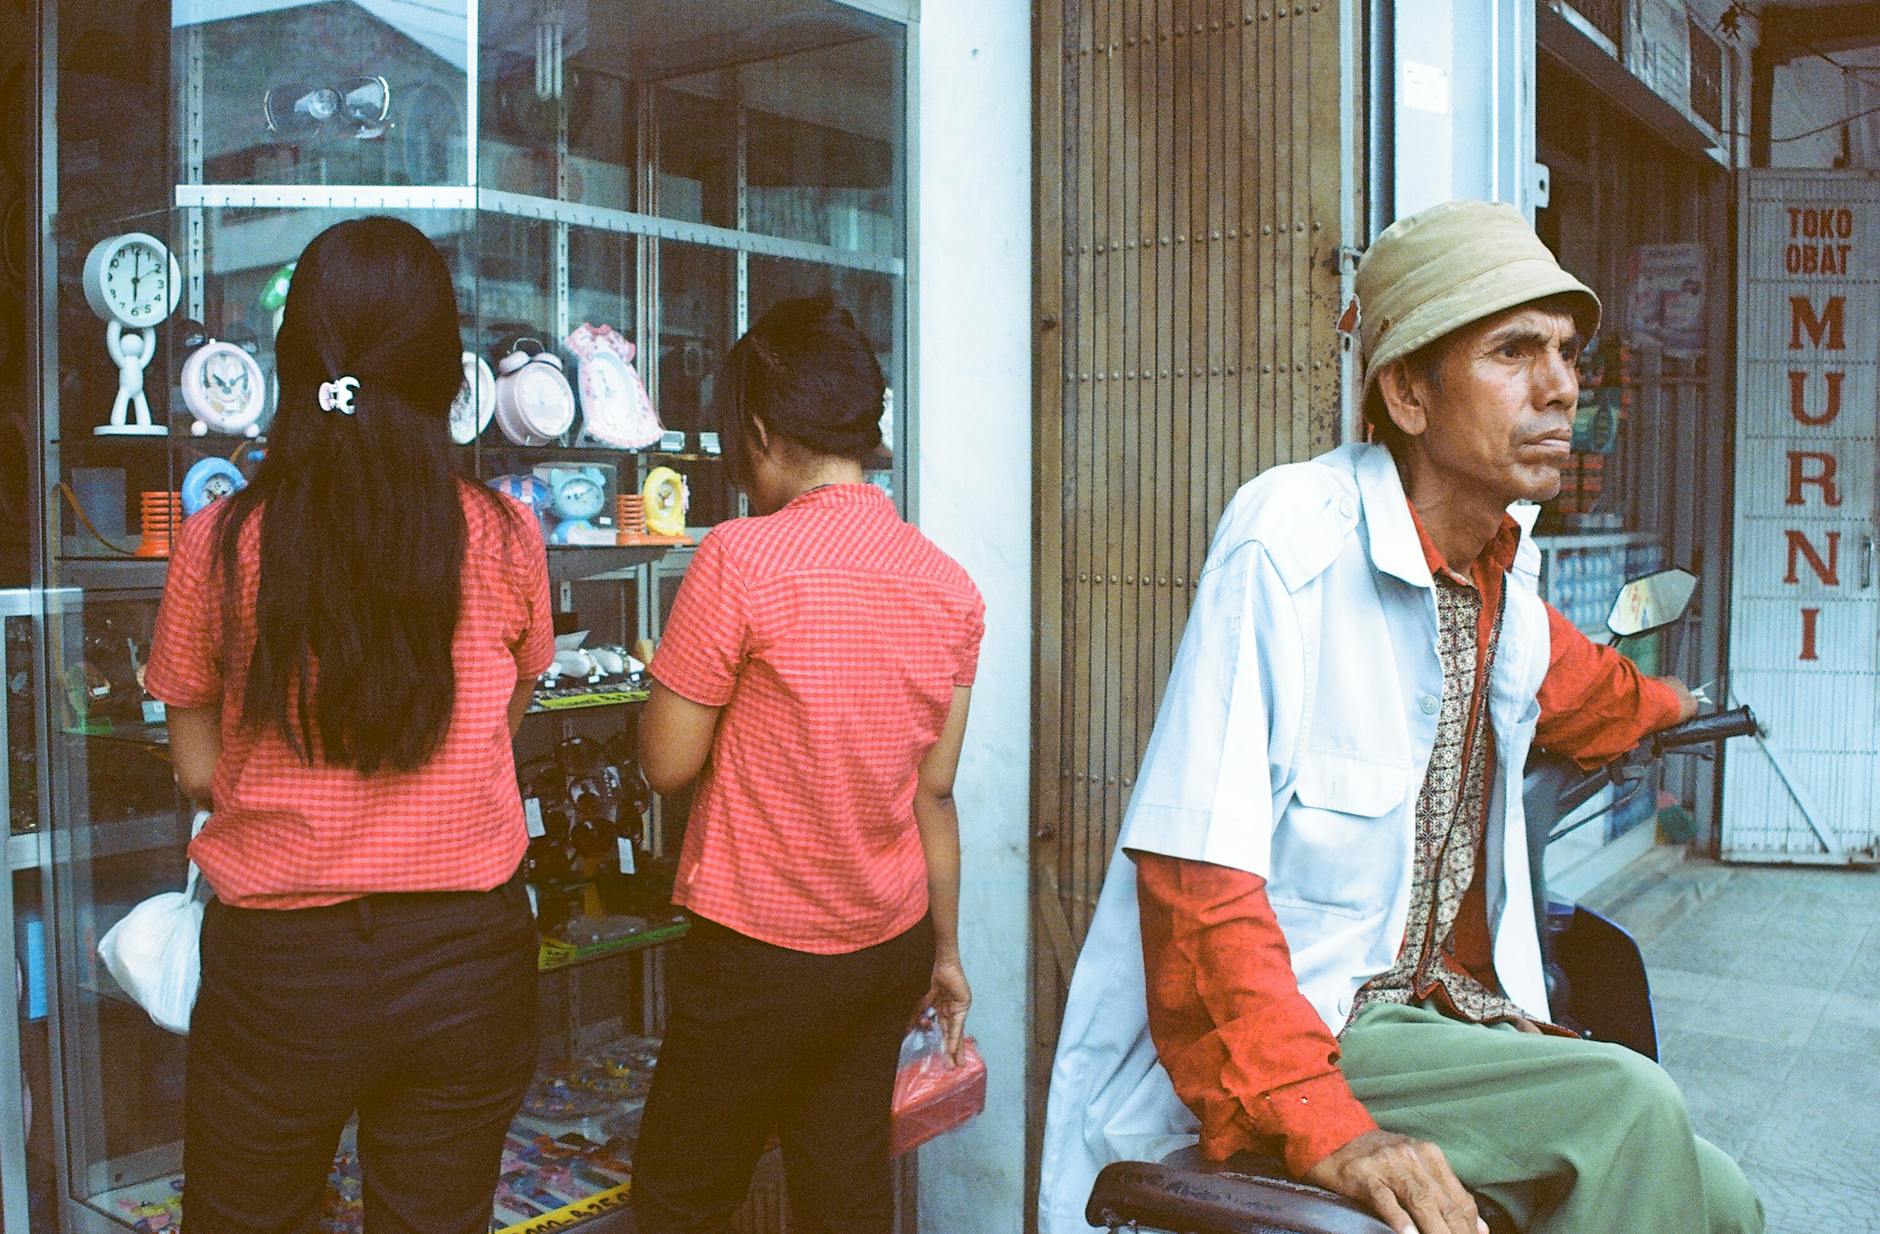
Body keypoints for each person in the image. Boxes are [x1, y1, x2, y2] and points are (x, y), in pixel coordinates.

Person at [1038, 200, 1765, 1234]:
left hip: (1437, 1009)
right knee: (1624, 1099)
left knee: (1722, 1196)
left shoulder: (1500, 583)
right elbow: (1195, 876)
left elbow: (1585, 687)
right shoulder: (1289, 537)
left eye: (1563, 351)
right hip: (1309, 1027)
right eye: (1513, 350)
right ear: (1408, 392)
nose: (1559, 384)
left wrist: (1669, 704)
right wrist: (1321, 1122)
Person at [144, 217, 553, 1234]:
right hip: (468, 960)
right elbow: (504, 723)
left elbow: (197, 766)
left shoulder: (222, 540)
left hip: (282, 974)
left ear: (294, 367)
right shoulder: (506, 536)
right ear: (442, 375)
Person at [630, 297, 984, 1234]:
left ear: (757, 431)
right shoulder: (948, 585)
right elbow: (932, 793)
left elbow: (667, 763)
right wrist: (945, 953)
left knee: (681, 1197)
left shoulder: (741, 559)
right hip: (888, 945)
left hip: (759, 952)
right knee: (846, 1192)